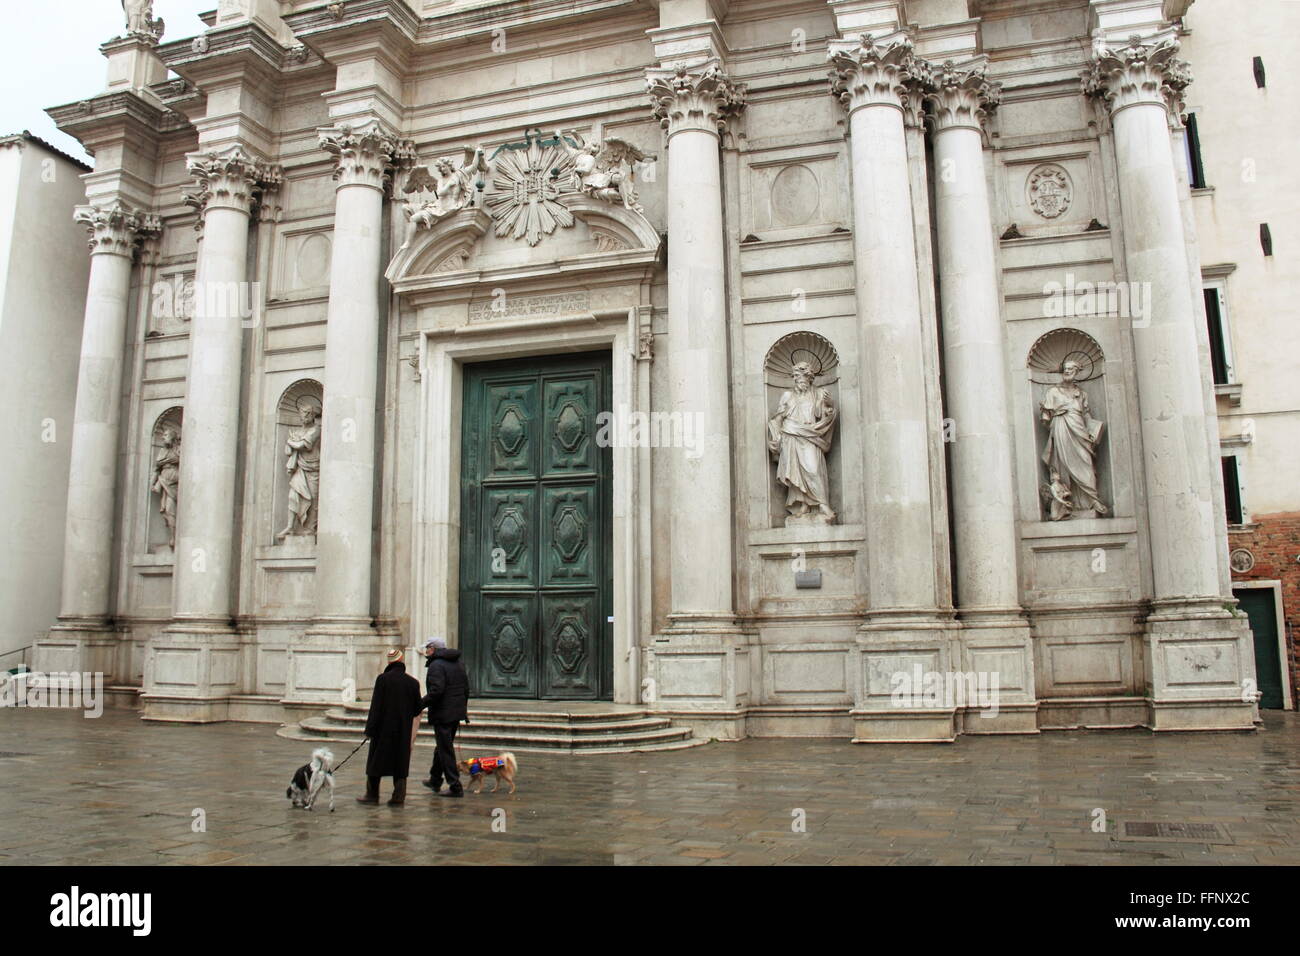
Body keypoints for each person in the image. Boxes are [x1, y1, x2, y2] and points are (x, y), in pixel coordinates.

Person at [357, 649, 423, 807]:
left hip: (382, 730)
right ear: (402, 661)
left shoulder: (383, 680)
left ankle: (372, 795)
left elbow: (375, 707)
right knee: (400, 764)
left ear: (389, 663)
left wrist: (370, 729)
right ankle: (398, 797)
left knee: (375, 762)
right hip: (402, 730)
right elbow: (417, 709)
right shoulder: (413, 683)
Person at [419, 637, 469, 798]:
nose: (426, 651)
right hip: (455, 712)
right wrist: (463, 709)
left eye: (427, 648)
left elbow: (436, 691)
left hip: (443, 713)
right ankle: (435, 779)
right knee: (442, 746)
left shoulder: (436, 665)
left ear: (433, 649)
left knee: (445, 749)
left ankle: (455, 785)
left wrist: (419, 704)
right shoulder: (458, 663)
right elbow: (465, 688)